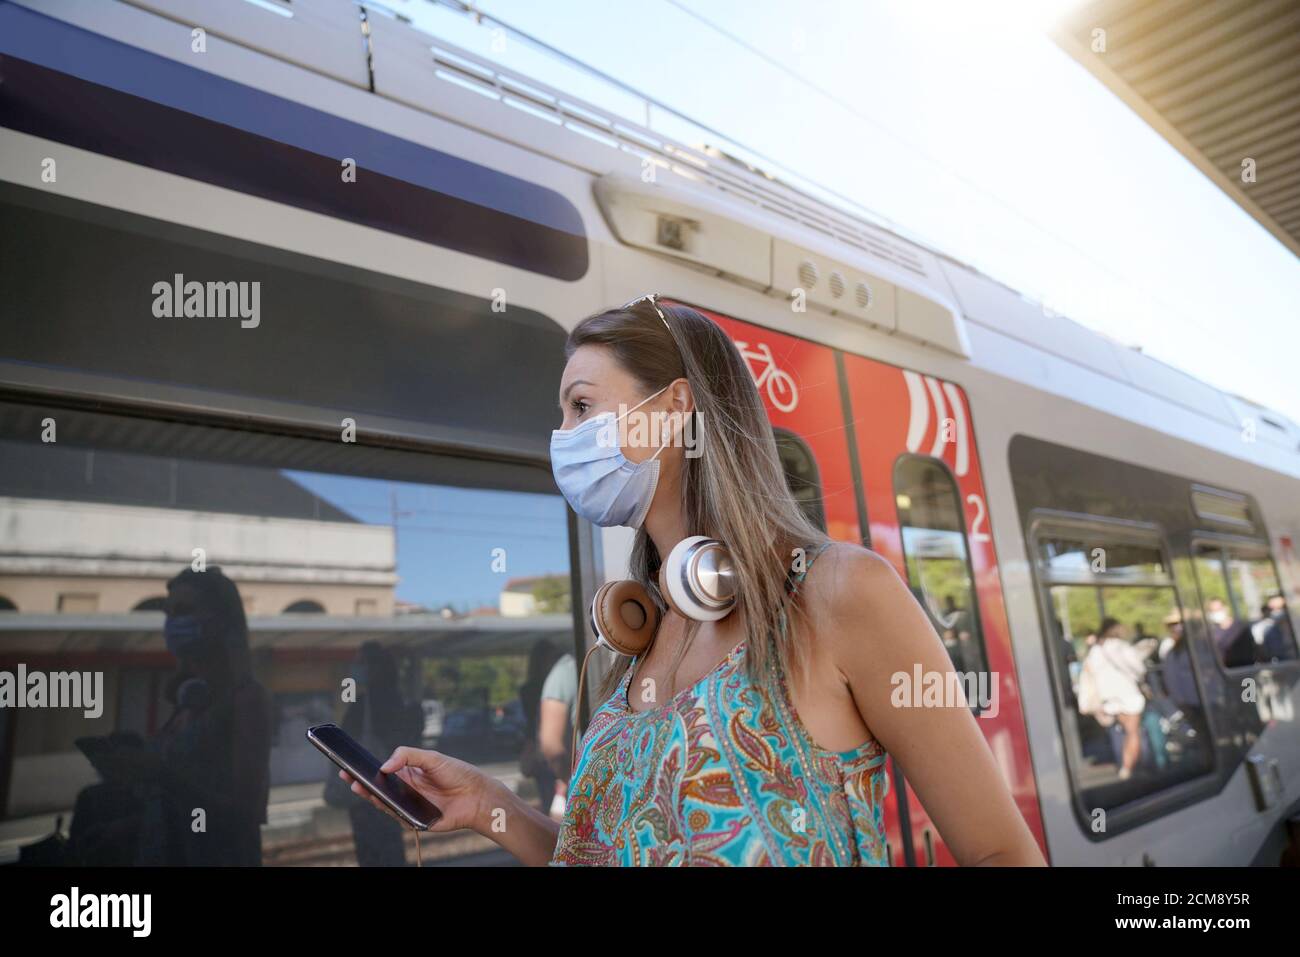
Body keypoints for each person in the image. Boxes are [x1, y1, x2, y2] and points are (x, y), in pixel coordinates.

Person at [340, 296, 1044, 866]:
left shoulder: (836, 592)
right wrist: (491, 805)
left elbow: (999, 851)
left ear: (676, 406)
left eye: (580, 406)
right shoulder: (638, 640)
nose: (562, 435)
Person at [340, 641, 423, 866]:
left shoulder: (365, 704)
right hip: (393, 788)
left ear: (373, 667)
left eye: (360, 664)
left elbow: (343, 740)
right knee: (390, 848)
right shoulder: (402, 701)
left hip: (366, 790)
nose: (355, 669)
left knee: (371, 852)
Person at [1076, 618, 1147, 780]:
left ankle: (1124, 762)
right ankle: (1129, 767)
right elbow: (1139, 668)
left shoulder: (1096, 650)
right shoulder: (1122, 647)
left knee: (1120, 732)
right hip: (1128, 694)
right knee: (1132, 732)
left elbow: (1090, 672)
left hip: (1109, 698)